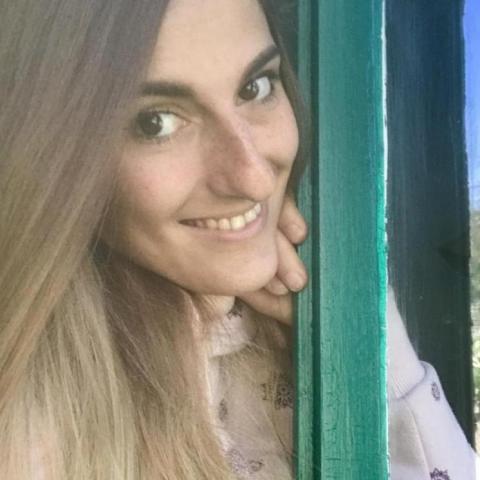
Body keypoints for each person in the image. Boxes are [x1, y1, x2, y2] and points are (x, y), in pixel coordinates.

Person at [0, 0, 477, 478]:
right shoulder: (29, 421)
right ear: (52, 152)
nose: (253, 178)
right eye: (156, 122)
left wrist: (366, 339)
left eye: (256, 87)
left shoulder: (298, 327)